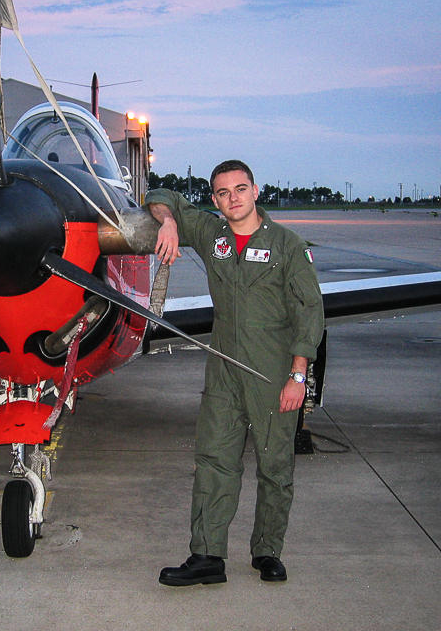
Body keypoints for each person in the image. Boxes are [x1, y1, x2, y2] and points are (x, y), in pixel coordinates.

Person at [146, 159, 324, 585]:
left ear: (256, 191)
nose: (233, 198)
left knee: (275, 467)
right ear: (215, 199)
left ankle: (267, 552)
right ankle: (207, 555)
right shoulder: (213, 236)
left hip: (273, 372)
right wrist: (168, 222)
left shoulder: (287, 245)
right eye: (223, 193)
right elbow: (160, 196)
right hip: (224, 370)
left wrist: (298, 377)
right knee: (213, 461)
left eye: (241, 189)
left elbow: (309, 311)